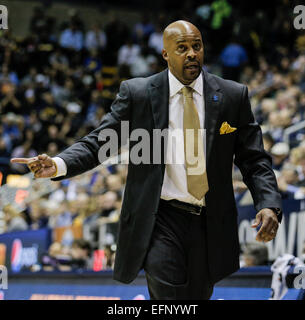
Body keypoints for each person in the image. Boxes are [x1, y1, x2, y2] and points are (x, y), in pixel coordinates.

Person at [11, 20, 282, 300]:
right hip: (160, 219)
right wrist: (58, 164)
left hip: (210, 221)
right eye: (182, 48)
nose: (191, 53)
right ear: (165, 54)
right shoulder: (138, 94)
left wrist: (269, 203)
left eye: (196, 46)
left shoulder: (232, 96)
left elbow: (254, 159)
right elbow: (101, 142)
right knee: (169, 298)